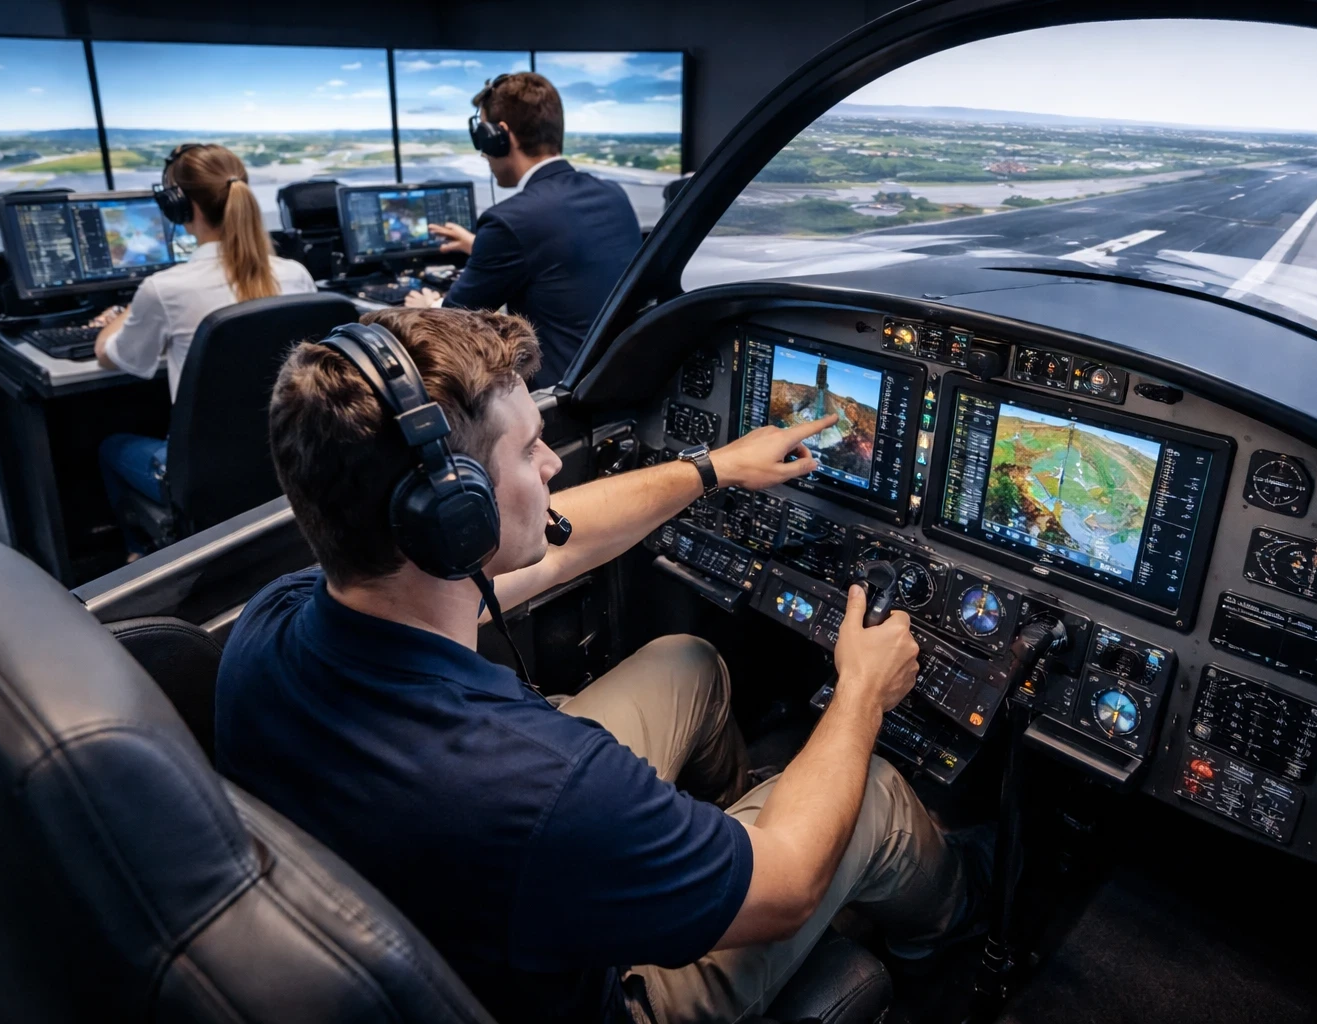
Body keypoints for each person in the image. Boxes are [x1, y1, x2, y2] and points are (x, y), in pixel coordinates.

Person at [216, 307, 987, 1024]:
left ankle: (696, 848)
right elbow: (787, 888)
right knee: (879, 795)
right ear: (455, 518)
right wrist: (860, 690)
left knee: (690, 661)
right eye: (526, 450)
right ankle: (950, 934)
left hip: (453, 890)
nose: (552, 462)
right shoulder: (547, 787)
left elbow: (558, 545)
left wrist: (712, 468)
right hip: (602, 988)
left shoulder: (278, 618)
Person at [92, 143, 316, 553]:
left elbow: (113, 356)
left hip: (205, 477)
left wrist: (121, 314)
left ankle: (139, 563)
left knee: (110, 447)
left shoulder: (164, 288)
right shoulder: (296, 274)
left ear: (179, 206)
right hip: (294, 460)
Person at [404, 72, 642, 390]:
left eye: (482, 139)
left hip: (555, 402)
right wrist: (479, 245)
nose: (483, 153)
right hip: (616, 384)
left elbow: (452, 324)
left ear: (500, 135)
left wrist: (425, 310)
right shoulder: (612, 194)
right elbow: (563, 254)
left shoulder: (510, 220)